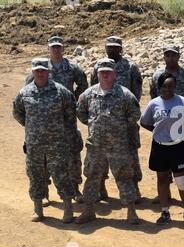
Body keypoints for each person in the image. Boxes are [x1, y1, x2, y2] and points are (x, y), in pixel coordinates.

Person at [76, 58, 141, 225]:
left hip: (118, 146)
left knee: (124, 177)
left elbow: (134, 115)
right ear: (97, 74)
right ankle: (89, 211)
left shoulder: (125, 94)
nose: (105, 74)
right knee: (92, 177)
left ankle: (131, 212)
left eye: (108, 72)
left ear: (115, 74)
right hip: (95, 146)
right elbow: (81, 113)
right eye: (102, 72)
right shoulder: (88, 94)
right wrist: (94, 125)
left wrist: (118, 128)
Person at [24, 35, 87, 205]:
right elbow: (26, 96)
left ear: (63, 48)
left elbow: (83, 85)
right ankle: (43, 193)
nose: (56, 49)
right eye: (53, 47)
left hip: (67, 120)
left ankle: (75, 188)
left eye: (59, 46)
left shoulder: (72, 68)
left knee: (73, 154)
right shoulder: (40, 68)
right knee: (43, 158)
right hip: (45, 125)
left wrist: (73, 100)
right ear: (48, 49)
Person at [13, 57, 77, 223]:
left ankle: (68, 209)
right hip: (34, 144)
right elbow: (18, 113)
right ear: (32, 72)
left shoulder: (61, 91)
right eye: (37, 70)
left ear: (49, 71)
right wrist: (32, 128)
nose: (40, 73)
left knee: (61, 175)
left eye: (43, 70)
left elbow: (70, 113)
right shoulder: (24, 93)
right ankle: (38, 209)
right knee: (35, 175)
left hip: (57, 144)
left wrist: (60, 130)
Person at [91, 36, 143, 202]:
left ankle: (134, 188)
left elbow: (137, 92)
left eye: (115, 47)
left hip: (126, 121)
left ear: (121, 49)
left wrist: (127, 118)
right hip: (102, 121)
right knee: (101, 155)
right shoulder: (98, 67)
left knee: (131, 154)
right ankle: (101, 187)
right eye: (109, 47)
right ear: (105, 48)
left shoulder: (131, 67)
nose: (112, 50)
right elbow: (93, 89)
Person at [141, 72, 184, 225]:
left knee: (181, 180)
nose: (167, 89)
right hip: (159, 147)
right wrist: (157, 131)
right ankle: (165, 212)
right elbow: (144, 122)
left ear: (175, 86)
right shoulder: (153, 104)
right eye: (164, 86)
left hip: (177, 147)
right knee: (162, 179)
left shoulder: (183, 102)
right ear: (160, 87)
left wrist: (181, 132)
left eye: (170, 86)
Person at [150, 44, 184, 205]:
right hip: (163, 128)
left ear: (179, 56)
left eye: (174, 55)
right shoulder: (157, 76)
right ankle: (165, 193)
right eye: (167, 55)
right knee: (162, 164)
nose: (170, 58)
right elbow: (154, 99)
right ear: (164, 57)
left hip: (183, 128)